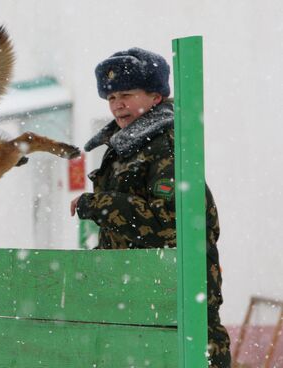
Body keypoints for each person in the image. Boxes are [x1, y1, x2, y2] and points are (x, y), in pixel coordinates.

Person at [70, 47, 231, 367]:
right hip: (138, 303)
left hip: (174, 303)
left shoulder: (167, 145)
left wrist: (99, 204)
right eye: (111, 96)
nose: (117, 104)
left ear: (156, 97)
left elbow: (174, 222)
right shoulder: (123, 147)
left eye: (127, 94)